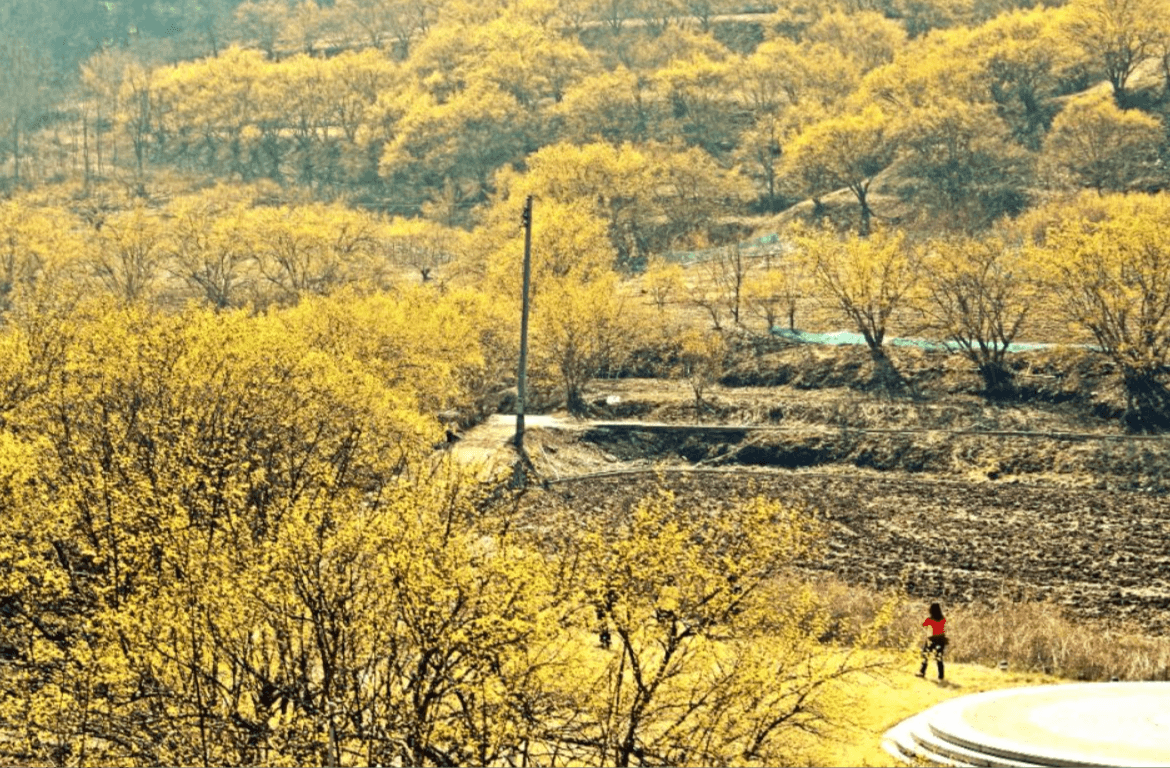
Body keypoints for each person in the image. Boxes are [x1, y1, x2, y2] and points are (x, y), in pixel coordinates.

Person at [917, 602, 947, 680]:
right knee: (939, 658)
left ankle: (922, 672)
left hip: (933, 639)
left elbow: (923, 625)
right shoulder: (942, 618)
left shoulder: (930, 619)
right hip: (941, 639)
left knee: (925, 655)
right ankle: (941, 675)